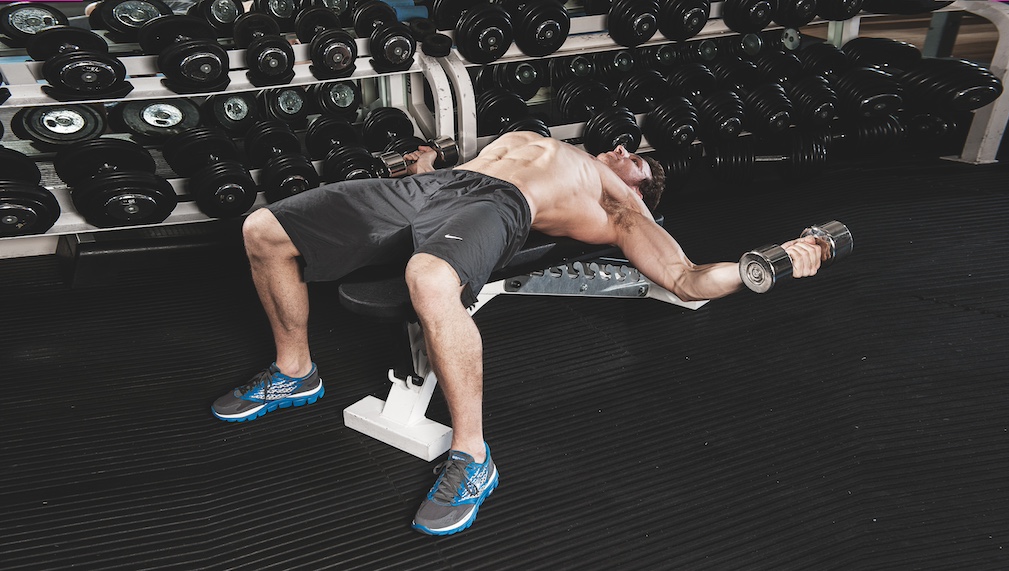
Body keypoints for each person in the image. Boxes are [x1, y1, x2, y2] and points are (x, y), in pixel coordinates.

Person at [211, 131, 825, 536]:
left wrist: (769, 261)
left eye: (635, 161)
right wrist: (426, 164)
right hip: (434, 188)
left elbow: (688, 278)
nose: (620, 150)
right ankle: (296, 372)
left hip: (499, 206)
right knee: (263, 229)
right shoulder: (550, 142)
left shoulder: (620, 209)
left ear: (641, 191)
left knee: (429, 278)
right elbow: (462, 164)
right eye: (626, 148)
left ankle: (472, 457)